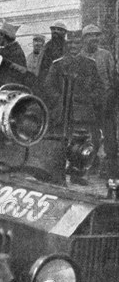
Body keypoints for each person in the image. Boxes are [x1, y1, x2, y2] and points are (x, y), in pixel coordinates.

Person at [43, 30, 105, 185]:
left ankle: (79, 173)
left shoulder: (90, 64)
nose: (73, 46)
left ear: (81, 44)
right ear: (66, 45)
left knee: (83, 144)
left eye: (76, 43)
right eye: (70, 43)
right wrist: (61, 100)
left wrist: (90, 98)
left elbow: (99, 87)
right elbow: (48, 87)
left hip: (83, 112)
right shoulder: (57, 64)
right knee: (62, 143)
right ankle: (58, 175)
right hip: (64, 112)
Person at [79, 24, 118, 178]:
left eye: (96, 35)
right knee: (91, 136)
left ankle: (111, 170)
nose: (94, 38)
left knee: (110, 137)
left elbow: (114, 78)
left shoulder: (106, 55)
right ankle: (91, 164)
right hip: (88, 104)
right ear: (84, 39)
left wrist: (111, 98)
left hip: (106, 103)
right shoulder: (80, 57)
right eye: (90, 36)